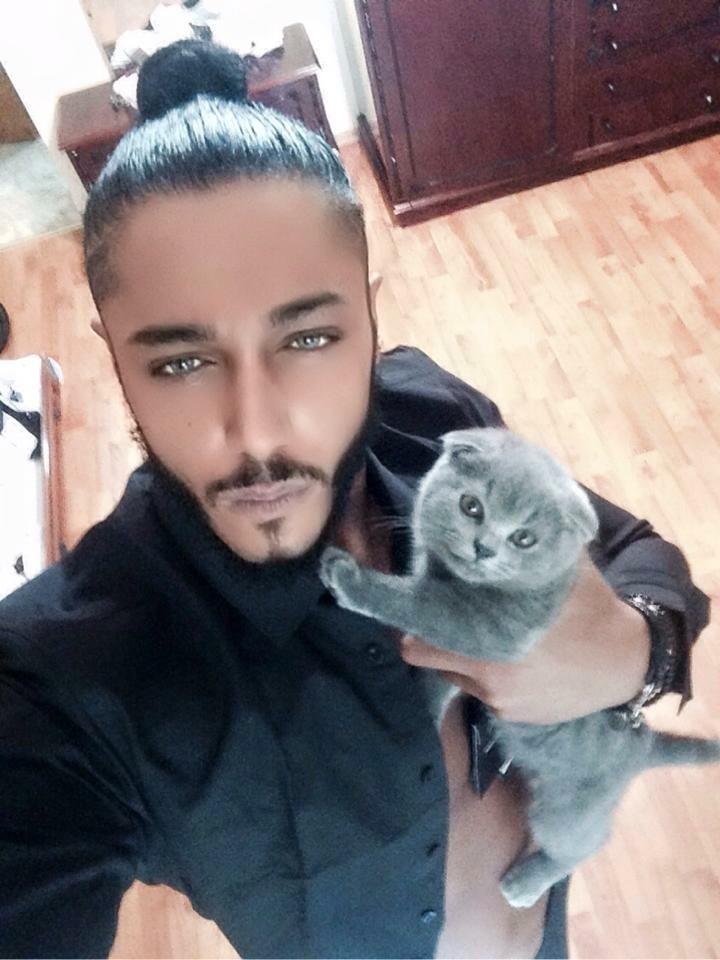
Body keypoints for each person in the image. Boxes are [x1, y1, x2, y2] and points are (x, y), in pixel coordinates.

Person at [0, 38, 710, 960]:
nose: (256, 430)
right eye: (180, 361)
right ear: (112, 352)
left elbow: (636, 552)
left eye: (307, 339)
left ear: (370, 311)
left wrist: (634, 651)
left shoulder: (436, 417)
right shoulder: (70, 676)